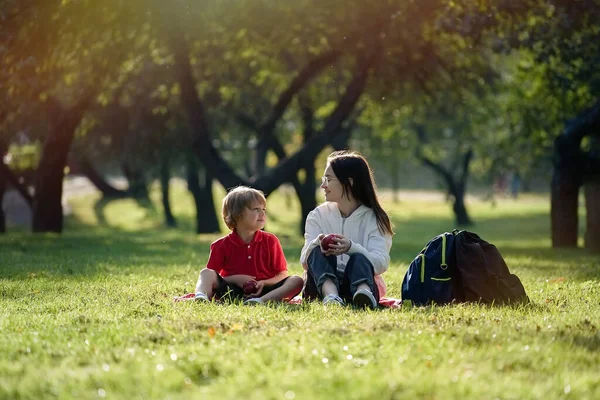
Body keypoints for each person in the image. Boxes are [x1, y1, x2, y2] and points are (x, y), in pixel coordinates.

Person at [300, 150, 394, 309]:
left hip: (359, 285)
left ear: (349, 182)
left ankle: (363, 294)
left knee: (359, 256)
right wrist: (318, 243)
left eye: (328, 179)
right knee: (315, 250)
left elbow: (381, 263)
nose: (323, 185)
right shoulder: (317, 216)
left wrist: (351, 248)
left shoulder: (375, 218)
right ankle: (331, 296)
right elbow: (304, 260)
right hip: (320, 288)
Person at [194, 186, 304, 305]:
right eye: (256, 209)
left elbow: (282, 275)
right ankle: (201, 297)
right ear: (237, 214)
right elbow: (214, 277)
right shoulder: (220, 245)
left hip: (267, 291)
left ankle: (259, 301)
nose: (262, 213)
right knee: (205, 272)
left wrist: (265, 283)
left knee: (297, 280)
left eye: (263, 209)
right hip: (232, 291)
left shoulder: (271, 241)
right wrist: (236, 279)